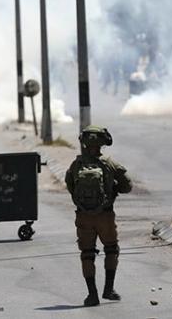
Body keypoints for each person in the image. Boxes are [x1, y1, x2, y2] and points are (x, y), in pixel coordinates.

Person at [65, 126, 132, 307]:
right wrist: (113, 189)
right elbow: (128, 186)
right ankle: (108, 289)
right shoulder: (109, 164)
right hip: (105, 215)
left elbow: (70, 186)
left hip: (83, 217)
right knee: (111, 249)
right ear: (102, 143)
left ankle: (92, 294)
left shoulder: (76, 165)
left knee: (87, 254)